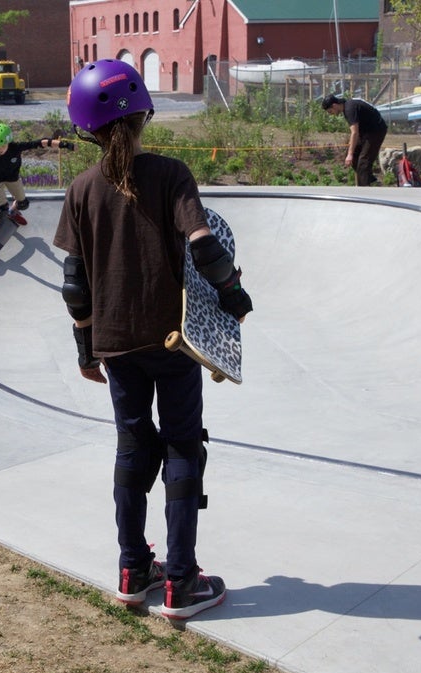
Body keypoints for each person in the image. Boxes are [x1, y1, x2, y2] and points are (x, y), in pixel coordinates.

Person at [53, 59, 252, 621]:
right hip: (173, 342)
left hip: (115, 344)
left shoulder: (81, 189)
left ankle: (133, 568)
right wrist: (234, 296)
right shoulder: (170, 174)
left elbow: (74, 283)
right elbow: (205, 248)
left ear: (85, 127)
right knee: (184, 445)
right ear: (143, 112)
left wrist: (85, 347)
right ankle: (181, 582)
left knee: (132, 447)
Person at [0, 123, 74, 250]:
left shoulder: (16, 147)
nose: (0, 149)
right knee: (1, 209)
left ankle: (12, 212)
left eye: (2, 146)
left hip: (12, 178)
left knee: (23, 204)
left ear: (8, 142)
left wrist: (64, 145)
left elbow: (41, 142)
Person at [322, 94, 388, 187]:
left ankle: (363, 191)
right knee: (354, 157)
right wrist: (350, 152)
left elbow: (354, 133)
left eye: (330, 111)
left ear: (334, 105)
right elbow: (356, 132)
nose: (331, 114)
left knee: (363, 162)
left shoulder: (349, 109)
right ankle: (369, 179)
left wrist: (350, 154)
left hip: (376, 131)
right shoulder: (347, 106)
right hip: (366, 131)